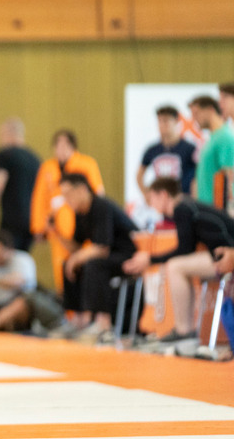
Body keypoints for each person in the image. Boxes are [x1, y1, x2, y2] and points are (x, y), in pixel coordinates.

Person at [122, 177, 234, 352]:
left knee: (175, 266)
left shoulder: (181, 207)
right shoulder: (187, 205)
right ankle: (185, 330)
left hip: (227, 254)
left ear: (163, 195)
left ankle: (184, 331)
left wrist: (150, 259)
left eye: (152, 199)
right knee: (177, 265)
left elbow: (184, 250)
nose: (150, 204)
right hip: (221, 253)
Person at [57, 173, 137, 342]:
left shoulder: (101, 206)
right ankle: (78, 319)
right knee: (69, 264)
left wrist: (76, 258)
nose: (66, 200)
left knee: (94, 264)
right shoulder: (80, 212)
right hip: (108, 256)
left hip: (129, 255)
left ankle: (103, 322)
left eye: (68, 194)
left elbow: (102, 248)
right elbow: (77, 248)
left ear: (82, 189)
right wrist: (56, 232)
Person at [30, 130, 105, 293]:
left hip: (82, 222)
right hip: (58, 226)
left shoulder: (86, 164)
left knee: (85, 261)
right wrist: (39, 227)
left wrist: (96, 217)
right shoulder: (48, 167)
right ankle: (66, 302)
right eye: (58, 145)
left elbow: (98, 192)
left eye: (65, 145)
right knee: (61, 267)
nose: (61, 149)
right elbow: (40, 197)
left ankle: (86, 301)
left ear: (73, 146)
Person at [0, 118, 40, 251]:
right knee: (22, 257)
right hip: (32, 220)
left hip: (12, 220)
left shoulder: (5, 155)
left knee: (7, 257)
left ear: (7, 134)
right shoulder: (35, 159)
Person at [137, 106, 197, 198]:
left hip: (182, 198)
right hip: (160, 200)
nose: (162, 125)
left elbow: (197, 177)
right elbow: (139, 174)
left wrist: (193, 198)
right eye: (160, 121)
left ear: (176, 121)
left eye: (166, 121)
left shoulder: (189, 149)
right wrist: (147, 194)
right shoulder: (152, 150)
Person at [189, 95, 234, 207]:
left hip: (217, 210)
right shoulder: (212, 139)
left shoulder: (224, 137)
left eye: (197, 113)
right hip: (206, 208)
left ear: (210, 110)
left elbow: (229, 176)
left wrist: (227, 210)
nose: (194, 119)